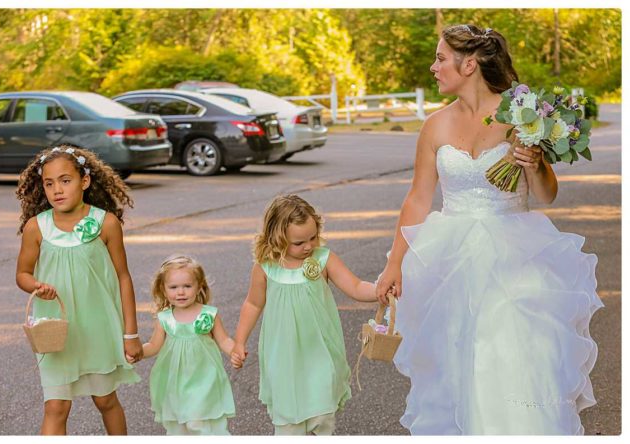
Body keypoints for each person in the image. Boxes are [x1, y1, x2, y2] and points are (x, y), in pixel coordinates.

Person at [374, 24, 602, 435]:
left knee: (510, 360)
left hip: (514, 256)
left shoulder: (521, 116)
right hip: (451, 261)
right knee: (455, 363)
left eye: (441, 58)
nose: (434, 67)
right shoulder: (435, 126)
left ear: (470, 63)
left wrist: (534, 165)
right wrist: (395, 263)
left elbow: (547, 195)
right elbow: (418, 199)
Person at [15, 145, 142, 435]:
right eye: (49, 183)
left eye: (65, 180)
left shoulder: (106, 223)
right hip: (55, 331)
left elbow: (123, 277)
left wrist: (131, 334)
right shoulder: (37, 227)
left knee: (106, 399)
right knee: (56, 407)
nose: (57, 190)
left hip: (98, 328)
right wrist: (36, 285)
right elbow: (22, 274)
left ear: (84, 181)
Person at [231, 194, 383, 435]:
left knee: (322, 413)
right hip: (282, 355)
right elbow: (252, 304)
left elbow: (355, 287)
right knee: (289, 420)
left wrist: (379, 289)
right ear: (277, 238)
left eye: (312, 238)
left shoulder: (323, 260)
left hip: (319, 350)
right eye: (299, 242)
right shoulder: (265, 268)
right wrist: (239, 342)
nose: (309, 246)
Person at [132, 254, 236, 435]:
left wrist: (235, 351)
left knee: (199, 422)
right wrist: (138, 351)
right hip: (175, 381)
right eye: (173, 287)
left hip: (204, 377)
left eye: (187, 286)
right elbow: (154, 345)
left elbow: (223, 340)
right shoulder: (164, 317)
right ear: (163, 290)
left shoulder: (208, 314)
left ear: (199, 287)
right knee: (180, 425)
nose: (180, 292)